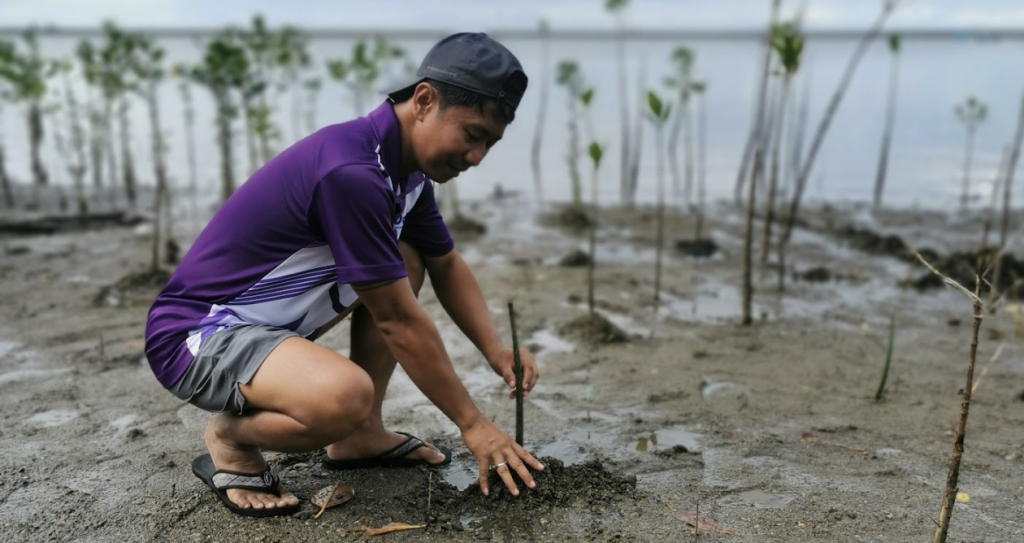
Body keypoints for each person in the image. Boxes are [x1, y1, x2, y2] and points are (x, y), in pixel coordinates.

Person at [144, 32, 542, 517]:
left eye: (490, 144)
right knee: (344, 395)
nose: (477, 157)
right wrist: (473, 424)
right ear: (423, 101)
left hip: (261, 329)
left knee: (407, 255)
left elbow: (445, 263)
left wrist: (496, 350)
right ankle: (230, 439)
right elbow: (397, 319)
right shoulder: (352, 171)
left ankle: (360, 436)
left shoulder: (406, 170)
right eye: (472, 134)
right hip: (197, 336)